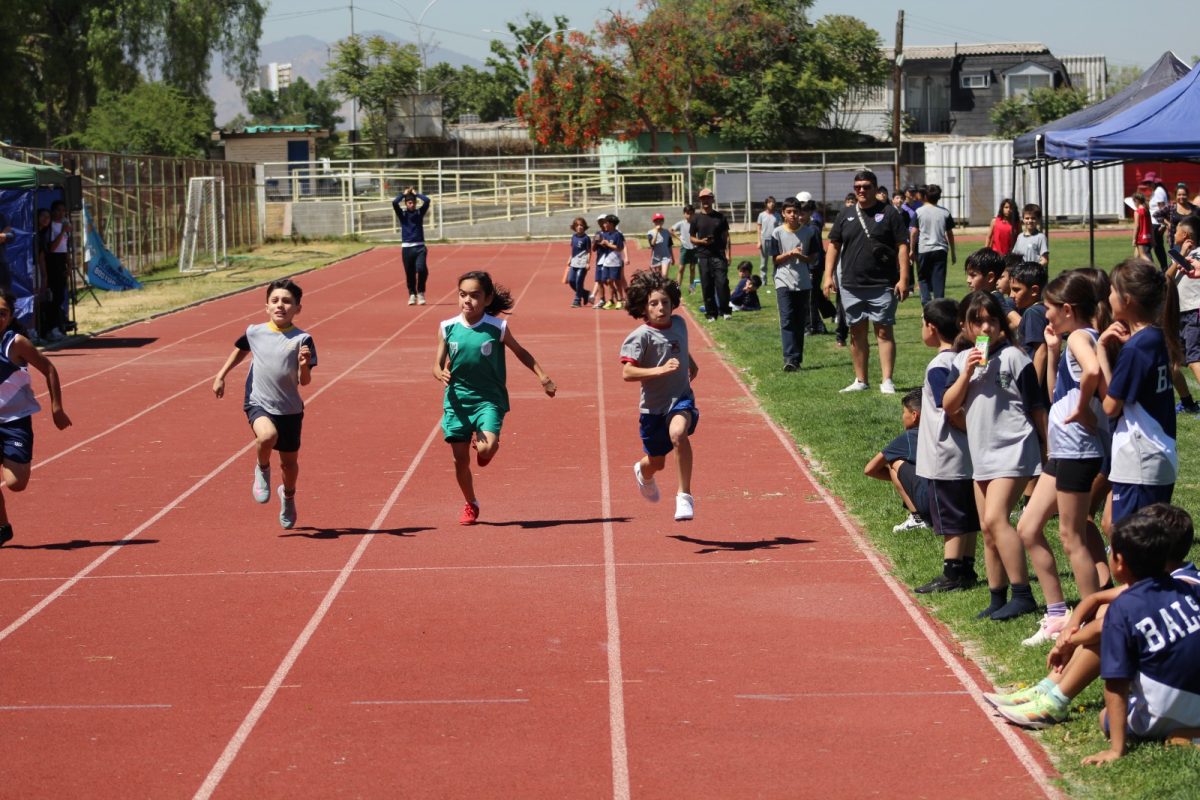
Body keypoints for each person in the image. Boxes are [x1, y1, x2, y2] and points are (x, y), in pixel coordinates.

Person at [986, 504, 1200, 750]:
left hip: (1172, 692)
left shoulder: (1182, 584)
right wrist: (1072, 625)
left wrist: (1070, 640)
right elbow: (1097, 598)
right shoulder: (1180, 580)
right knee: (1106, 610)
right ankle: (1047, 689)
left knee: (1109, 625)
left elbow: (1109, 637)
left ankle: (1054, 701)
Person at [1015, 269, 1113, 646]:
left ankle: (1089, 621)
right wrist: (1053, 351)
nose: (1046, 314)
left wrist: (1085, 411)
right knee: (1028, 527)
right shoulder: (1073, 340)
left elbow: (1091, 371)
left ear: (1068, 309)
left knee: (1071, 536)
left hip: (1077, 450)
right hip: (1064, 451)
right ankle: (1058, 614)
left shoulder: (1081, 340)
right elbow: (1059, 393)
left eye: (1050, 308)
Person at [942, 291, 1047, 621]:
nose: (986, 326)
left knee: (995, 520)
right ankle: (997, 596)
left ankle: (1023, 594)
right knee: (988, 530)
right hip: (983, 454)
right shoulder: (961, 362)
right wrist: (966, 374)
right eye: (978, 321)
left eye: (992, 320)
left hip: (1014, 448)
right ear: (965, 326)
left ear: (1002, 323)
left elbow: (1037, 407)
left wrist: (1048, 449)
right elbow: (949, 405)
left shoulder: (1016, 358)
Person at [433, 271, 557, 525]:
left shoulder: (497, 327)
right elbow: (436, 364)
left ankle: (486, 450)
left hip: (488, 400)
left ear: (488, 299)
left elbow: (520, 351)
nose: (468, 300)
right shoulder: (447, 327)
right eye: (463, 295)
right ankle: (471, 503)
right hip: (457, 401)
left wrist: (542, 376)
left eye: (475, 296)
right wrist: (440, 372)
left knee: (487, 447)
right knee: (459, 461)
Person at [212, 279, 316, 530]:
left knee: (289, 465)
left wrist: (303, 365)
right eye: (275, 300)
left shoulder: (303, 339)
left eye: (287, 301)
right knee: (267, 436)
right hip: (258, 401)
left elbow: (305, 382)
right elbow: (240, 349)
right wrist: (221, 375)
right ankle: (262, 468)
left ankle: (288, 496)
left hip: (290, 409)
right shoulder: (254, 332)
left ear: (297, 308)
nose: (281, 305)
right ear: (266, 306)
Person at [1097, 257, 1179, 526]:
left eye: (1112, 290)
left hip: (1139, 459)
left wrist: (1101, 353)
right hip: (1158, 453)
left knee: (1136, 547)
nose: (1108, 297)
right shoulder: (1155, 336)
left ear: (1128, 299)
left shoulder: (1134, 349)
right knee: (1113, 525)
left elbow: (1111, 407)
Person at [823, 170, 910, 394]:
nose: (861, 190)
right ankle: (861, 380)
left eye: (866, 186)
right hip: (851, 284)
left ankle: (887, 380)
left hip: (882, 283)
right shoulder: (845, 214)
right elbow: (834, 245)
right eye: (858, 186)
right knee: (856, 332)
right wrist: (828, 275)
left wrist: (903, 278)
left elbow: (902, 245)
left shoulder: (890, 213)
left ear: (875, 188)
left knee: (883, 331)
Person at [622, 269, 699, 522]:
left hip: (681, 399)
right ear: (644, 307)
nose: (661, 308)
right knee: (656, 462)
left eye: (665, 302)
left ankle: (684, 496)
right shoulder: (640, 337)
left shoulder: (680, 323)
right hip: (653, 410)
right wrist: (660, 370)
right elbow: (628, 372)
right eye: (653, 303)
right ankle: (643, 471)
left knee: (679, 434)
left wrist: (690, 361)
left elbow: (678, 345)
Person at [913, 298, 979, 592]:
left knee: (950, 515)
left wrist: (970, 428)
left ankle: (952, 572)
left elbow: (948, 409)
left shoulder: (939, 365)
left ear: (932, 327)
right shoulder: (964, 357)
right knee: (967, 512)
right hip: (966, 455)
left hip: (946, 454)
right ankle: (966, 566)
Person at [0, 291, 71, 546]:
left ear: (9, 317)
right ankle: (2, 526)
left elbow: (48, 368)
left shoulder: (16, 343)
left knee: (16, 483)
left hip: (15, 421)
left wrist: (56, 408)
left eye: (2, 313)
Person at [864, 387, 931, 534]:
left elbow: (869, 469)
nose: (902, 416)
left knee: (894, 462)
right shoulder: (946, 431)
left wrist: (902, 480)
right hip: (955, 502)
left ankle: (917, 519)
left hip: (929, 504)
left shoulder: (907, 439)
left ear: (914, 415)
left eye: (903, 412)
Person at [770, 197, 819, 371]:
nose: (792, 215)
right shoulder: (777, 233)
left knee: (799, 321)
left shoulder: (809, 232)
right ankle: (789, 359)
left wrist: (801, 257)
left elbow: (813, 258)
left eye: (795, 212)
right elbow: (775, 259)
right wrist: (790, 253)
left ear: (800, 214)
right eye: (789, 212)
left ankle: (796, 359)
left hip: (803, 282)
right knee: (787, 319)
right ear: (783, 213)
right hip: (783, 280)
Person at [1169, 214, 1200, 413]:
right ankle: (1188, 402)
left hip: (1194, 312)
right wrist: (1179, 255)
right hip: (1178, 313)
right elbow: (1166, 278)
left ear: (1187, 234)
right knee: (1171, 361)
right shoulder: (1179, 254)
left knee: (1194, 358)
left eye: (1177, 230)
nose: (1174, 233)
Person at [691, 188, 732, 321]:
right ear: (700, 201)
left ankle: (725, 310)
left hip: (719, 255)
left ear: (712, 199)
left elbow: (727, 237)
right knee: (707, 285)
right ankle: (711, 313)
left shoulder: (720, 217)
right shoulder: (696, 218)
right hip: (703, 256)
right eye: (703, 199)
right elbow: (691, 238)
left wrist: (728, 254)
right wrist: (701, 242)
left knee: (722, 283)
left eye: (708, 198)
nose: (705, 201)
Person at [912, 183, 956, 304]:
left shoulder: (919, 211)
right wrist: (953, 252)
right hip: (940, 249)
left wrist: (911, 249)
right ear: (939, 197)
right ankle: (939, 305)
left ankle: (926, 304)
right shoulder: (945, 212)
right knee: (939, 279)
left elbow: (914, 232)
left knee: (923, 279)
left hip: (924, 249)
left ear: (925, 196)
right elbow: (950, 234)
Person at [1009, 261, 1050, 389]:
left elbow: (1041, 352)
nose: (1011, 295)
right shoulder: (1042, 309)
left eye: (1016, 290)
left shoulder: (1033, 313)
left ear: (1034, 290)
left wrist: (1033, 391)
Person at [392, 187, 431, 306]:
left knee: (422, 269)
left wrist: (416, 194)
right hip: (407, 248)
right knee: (410, 273)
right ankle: (412, 294)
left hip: (420, 247)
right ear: (406, 203)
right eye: (409, 202)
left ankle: (420, 292)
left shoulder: (419, 213)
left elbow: (427, 200)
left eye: (413, 202)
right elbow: (394, 203)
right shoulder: (402, 214)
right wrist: (403, 194)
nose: (412, 204)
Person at [44, 201, 71, 342]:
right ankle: (50, 328)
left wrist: (69, 265)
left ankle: (58, 325)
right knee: (54, 296)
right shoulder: (51, 227)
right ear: (53, 211)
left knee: (61, 295)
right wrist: (62, 232)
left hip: (61, 261)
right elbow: (53, 248)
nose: (61, 213)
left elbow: (65, 248)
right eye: (59, 210)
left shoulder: (64, 227)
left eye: (63, 211)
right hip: (52, 260)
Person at [594, 215, 626, 310]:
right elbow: (597, 245)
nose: (604, 225)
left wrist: (608, 244)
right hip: (606, 261)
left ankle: (620, 300)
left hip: (615, 261)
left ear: (611, 224)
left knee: (616, 281)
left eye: (606, 223)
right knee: (607, 281)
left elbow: (620, 248)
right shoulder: (605, 234)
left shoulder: (617, 234)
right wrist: (600, 243)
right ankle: (611, 301)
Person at [1145, 171, 1170, 271]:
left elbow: (1162, 209)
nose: (1147, 185)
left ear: (1154, 182)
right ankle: (1164, 268)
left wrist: (1163, 225)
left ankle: (1153, 269)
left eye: (1149, 182)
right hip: (1155, 223)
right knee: (1158, 247)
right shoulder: (1157, 191)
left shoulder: (1158, 192)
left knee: (1148, 248)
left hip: (1156, 224)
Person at [564, 217, 591, 308]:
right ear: (574, 227)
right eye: (578, 225)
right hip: (574, 262)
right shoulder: (574, 237)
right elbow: (573, 250)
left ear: (584, 227)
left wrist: (588, 262)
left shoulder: (586, 238)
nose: (580, 227)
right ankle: (585, 293)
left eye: (581, 225)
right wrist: (569, 259)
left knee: (579, 280)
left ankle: (577, 300)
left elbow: (589, 251)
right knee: (571, 281)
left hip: (582, 262)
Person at [670, 205, 698, 290]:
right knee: (681, 269)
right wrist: (679, 238)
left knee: (692, 269)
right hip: (685, 248)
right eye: (687, 213)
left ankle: (691, 288)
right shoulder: (681, 223)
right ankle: (677, 288)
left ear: (694, 214)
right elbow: (670, 229)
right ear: (684, 214)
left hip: (694, 248)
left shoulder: (696, 223)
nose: (689, 215)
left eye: (691, 213)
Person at [756, 196, 780, 284]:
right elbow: (759, 228)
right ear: (766, 204)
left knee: (775, 260)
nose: (772, 204)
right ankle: (763, 280)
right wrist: (759, 241)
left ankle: (775, 279)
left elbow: (780, 228)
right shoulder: (761, 215)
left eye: (773, 202)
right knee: (763, 262)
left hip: (774, 240)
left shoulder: (777, 215)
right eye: (770, 202)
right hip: (764, 240)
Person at [1131, 192, 1152, 261]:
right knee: (1136, 256)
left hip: (1141, 238)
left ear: (1137, 201)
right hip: (1148, 237)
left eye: (1134, 202)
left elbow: (1136, 226)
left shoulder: (1137, 212)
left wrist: (1134, 239)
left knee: (1144, 256)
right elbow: (1150, 225)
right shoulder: (1147, 210)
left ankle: (1154, 268)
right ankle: (1133, 268)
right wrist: (1153, 238)